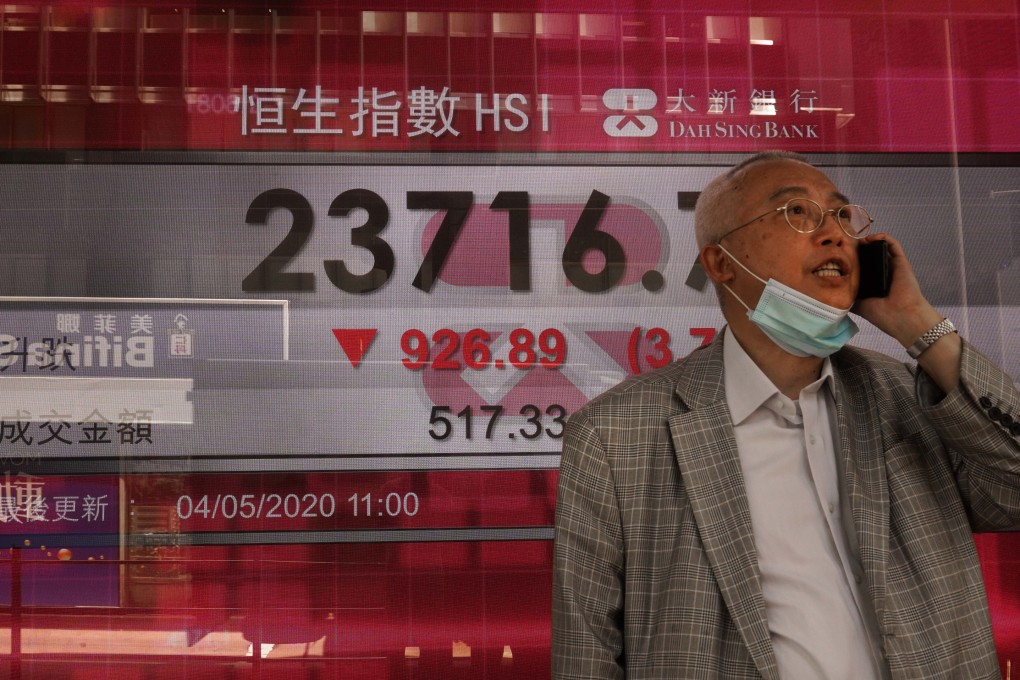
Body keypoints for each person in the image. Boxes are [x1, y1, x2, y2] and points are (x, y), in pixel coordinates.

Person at [552, 151, 1020, 680]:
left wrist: (917, 324)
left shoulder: (906, 397)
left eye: (842, 216)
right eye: (798, 213)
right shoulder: (616, 435)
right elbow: (585, 652)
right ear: (721, 262)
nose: (834, 234)